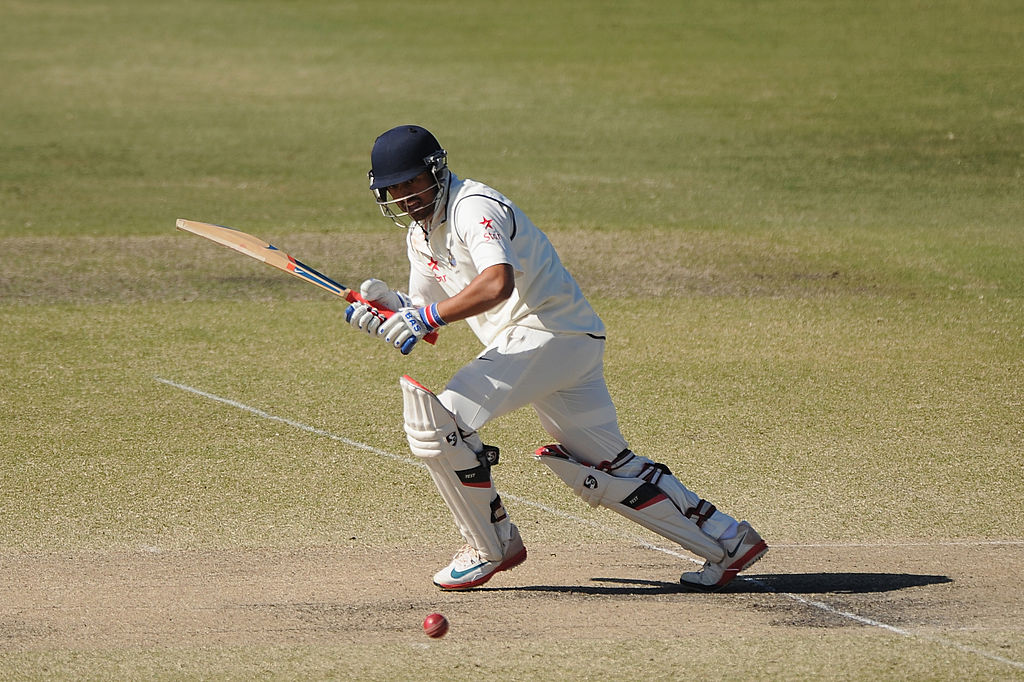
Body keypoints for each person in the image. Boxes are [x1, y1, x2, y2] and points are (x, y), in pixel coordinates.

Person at [345, 124, 768, 592]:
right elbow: (430, 313)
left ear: (435, 172)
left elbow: (495, 284)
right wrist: (390, 309)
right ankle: (728, 541)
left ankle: (491, 545)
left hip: (546, 332)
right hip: (560, 343)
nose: (404, 196)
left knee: (437, 423)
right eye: (393, 188)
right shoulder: (421, 236)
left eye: (410, 183)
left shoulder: (473, 208)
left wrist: (424, 317)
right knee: (608, 467)